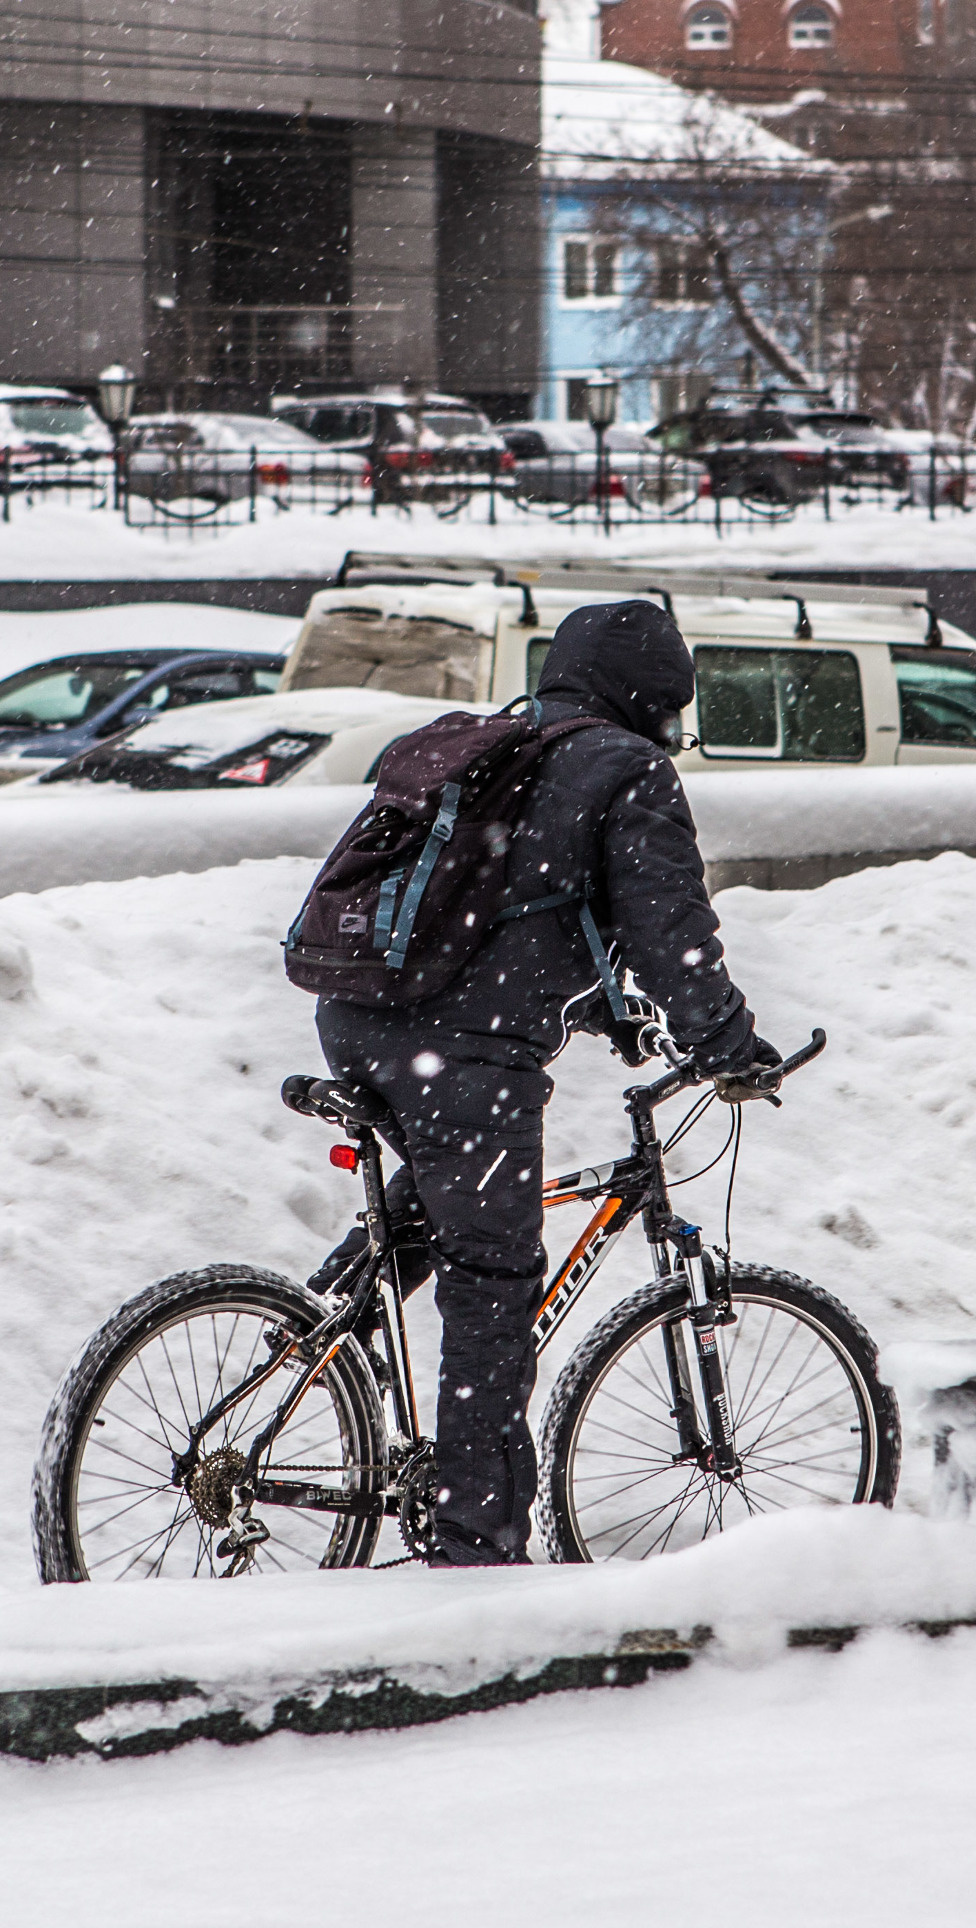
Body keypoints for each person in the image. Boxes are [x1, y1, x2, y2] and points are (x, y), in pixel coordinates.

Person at [311, 598, 777, 1566]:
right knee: (495, 1280)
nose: (673, 735)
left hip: (362, 1016)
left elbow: (534, 908)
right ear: (648, 699)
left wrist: (617, 1014)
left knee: (451, 1202)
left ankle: (312, 1329)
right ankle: (476, 1546)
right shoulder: (627, 770)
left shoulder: (518, 741)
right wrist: (725, 1042)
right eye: (673, 711)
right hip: (461, 1052)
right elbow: (672, 935)